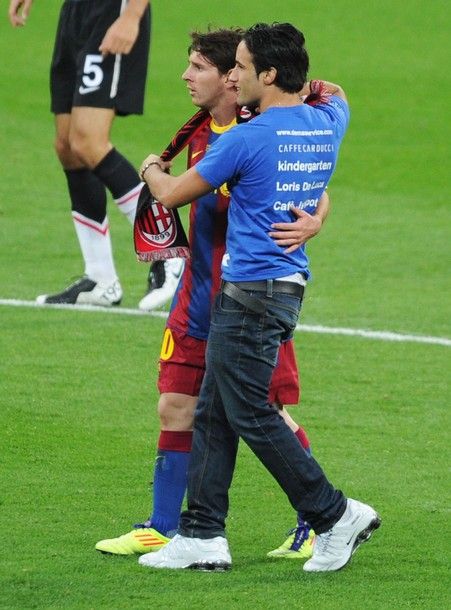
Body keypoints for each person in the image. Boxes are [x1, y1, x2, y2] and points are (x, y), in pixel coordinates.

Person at [137, 22, 380, 573]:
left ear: (268, 75)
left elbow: (173, 195)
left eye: (242, 68)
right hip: (282, 288)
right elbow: (335, 90)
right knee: (215, 413)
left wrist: (151, 168)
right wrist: (303, 82)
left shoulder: (244, 139)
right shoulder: (327, 121)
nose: (234, 77)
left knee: (249, 411)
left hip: (249, 291)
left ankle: (334, 514)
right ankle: (202, 534)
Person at [96, 28, 331, 561]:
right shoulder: (199, 132)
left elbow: (314, 187)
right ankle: (164, 526)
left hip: (250, 298)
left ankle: (316, 522)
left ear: (234, 77)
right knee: (175, 406)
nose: (186, 76)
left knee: (264, 412)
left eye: (198, 66)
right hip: (198, 296)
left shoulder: (259, 131)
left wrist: (313, 222)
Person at [8, 0, 183, 308]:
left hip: (112, 11)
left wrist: (131, 15)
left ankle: (168, 252)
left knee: (88, 141)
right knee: (67, 147)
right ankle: (100, 278)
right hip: (75, 12)